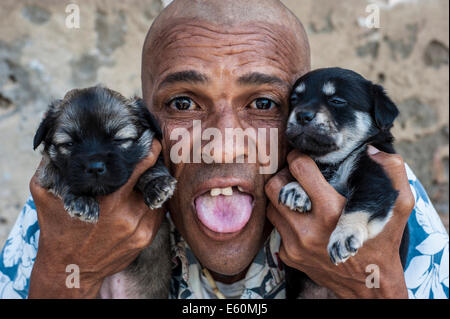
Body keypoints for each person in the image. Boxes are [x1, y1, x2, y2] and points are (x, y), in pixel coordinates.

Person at [0, 0, 448, 299]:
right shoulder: (73, 201)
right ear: (144, 121)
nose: (224, 143)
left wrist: (371, 284)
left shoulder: (376, 194)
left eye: (263, 104)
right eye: (183, 103)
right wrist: (67, 271)